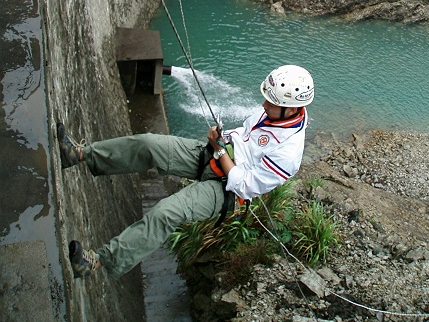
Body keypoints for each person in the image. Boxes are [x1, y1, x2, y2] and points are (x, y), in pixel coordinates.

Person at [58, 65, 314, 280]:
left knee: (164, 213)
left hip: (226, 190)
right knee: (148, 145)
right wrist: (221, 138)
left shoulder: (288, 154)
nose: (263, 103)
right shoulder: (271, 112)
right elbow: (244, 135)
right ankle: (79, 155)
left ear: (291, 109)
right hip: (216, 155)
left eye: (271, 102)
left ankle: (94, 262)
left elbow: (244, 185)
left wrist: (220, 150)